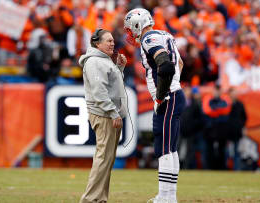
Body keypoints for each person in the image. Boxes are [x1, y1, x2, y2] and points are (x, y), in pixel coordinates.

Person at [124, 8, 186, 203]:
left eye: (129, 28)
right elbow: (180, 64)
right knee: (167, 148)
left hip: (168, 96)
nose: (129, 33)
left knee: (166, 149)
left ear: (136, 24)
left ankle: (167, 198)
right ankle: (166, 196)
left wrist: (161, 95)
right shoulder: (164, 34)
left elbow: (166, 66)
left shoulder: (148, 38)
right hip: (174, 94)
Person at [78, 28, 127, 203]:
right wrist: (113, 113)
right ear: (97, 43)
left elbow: (113, 87)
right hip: (104, 115)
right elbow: (100, 92)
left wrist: (120, 67)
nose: (112, 43)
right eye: (108, 41)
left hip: (108, 114)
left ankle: (99, 198)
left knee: (107, 160)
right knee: (103, 158)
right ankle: (91, 199)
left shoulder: (105, 61)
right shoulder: (94, 62)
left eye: (113, 40)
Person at [202, 84, 231, 170]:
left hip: (221, 129)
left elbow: (226, 110)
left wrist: (214, 110)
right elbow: (207, 110)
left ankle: (221, 168)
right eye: (216, 90)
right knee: (209, 149)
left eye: (218, 90)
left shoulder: (225, 98)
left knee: (222, 150)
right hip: (210, 129)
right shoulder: (208, 98)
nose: (217, 92)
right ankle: (209, 168)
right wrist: (218, 110)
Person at [228, 87, 247, 170]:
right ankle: (224, 169)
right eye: (233, 93)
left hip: (237, 132)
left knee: (237, 152)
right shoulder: (226, 103)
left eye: (235, 93)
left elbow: (244, 117)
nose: (235, 95)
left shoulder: (240, 104)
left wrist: (240, 125)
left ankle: (237, 169)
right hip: (226, 133)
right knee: (227, 152)